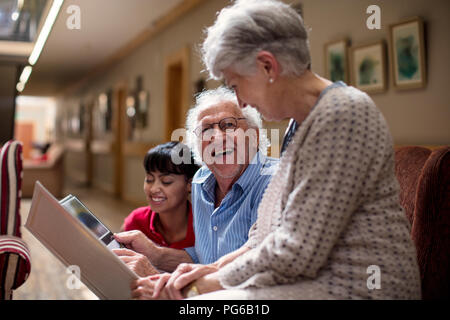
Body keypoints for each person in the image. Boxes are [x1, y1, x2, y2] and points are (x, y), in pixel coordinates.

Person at [134, 0, 421, 300]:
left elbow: (296, 251)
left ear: (267, 66)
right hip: (308, 281)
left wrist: (198, 287)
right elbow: (264, 234)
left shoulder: (344, 115)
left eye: (237, 84)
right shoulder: (300, 126)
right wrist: (212, 269)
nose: (242, 102)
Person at [113, 87, 278, 278]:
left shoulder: (274, 183)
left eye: (228, 125)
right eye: (206, 129)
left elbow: (261, 271)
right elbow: (205, 259)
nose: (216, 137)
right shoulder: (200, 182)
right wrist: (155, 254)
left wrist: (161, 281)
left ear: (254, 136)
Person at [121, 142, 199, 250]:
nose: (153, 189)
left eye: (166, 181)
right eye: (149, 179)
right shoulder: (136, 222)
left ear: (190, 184)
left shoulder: (204, 228)